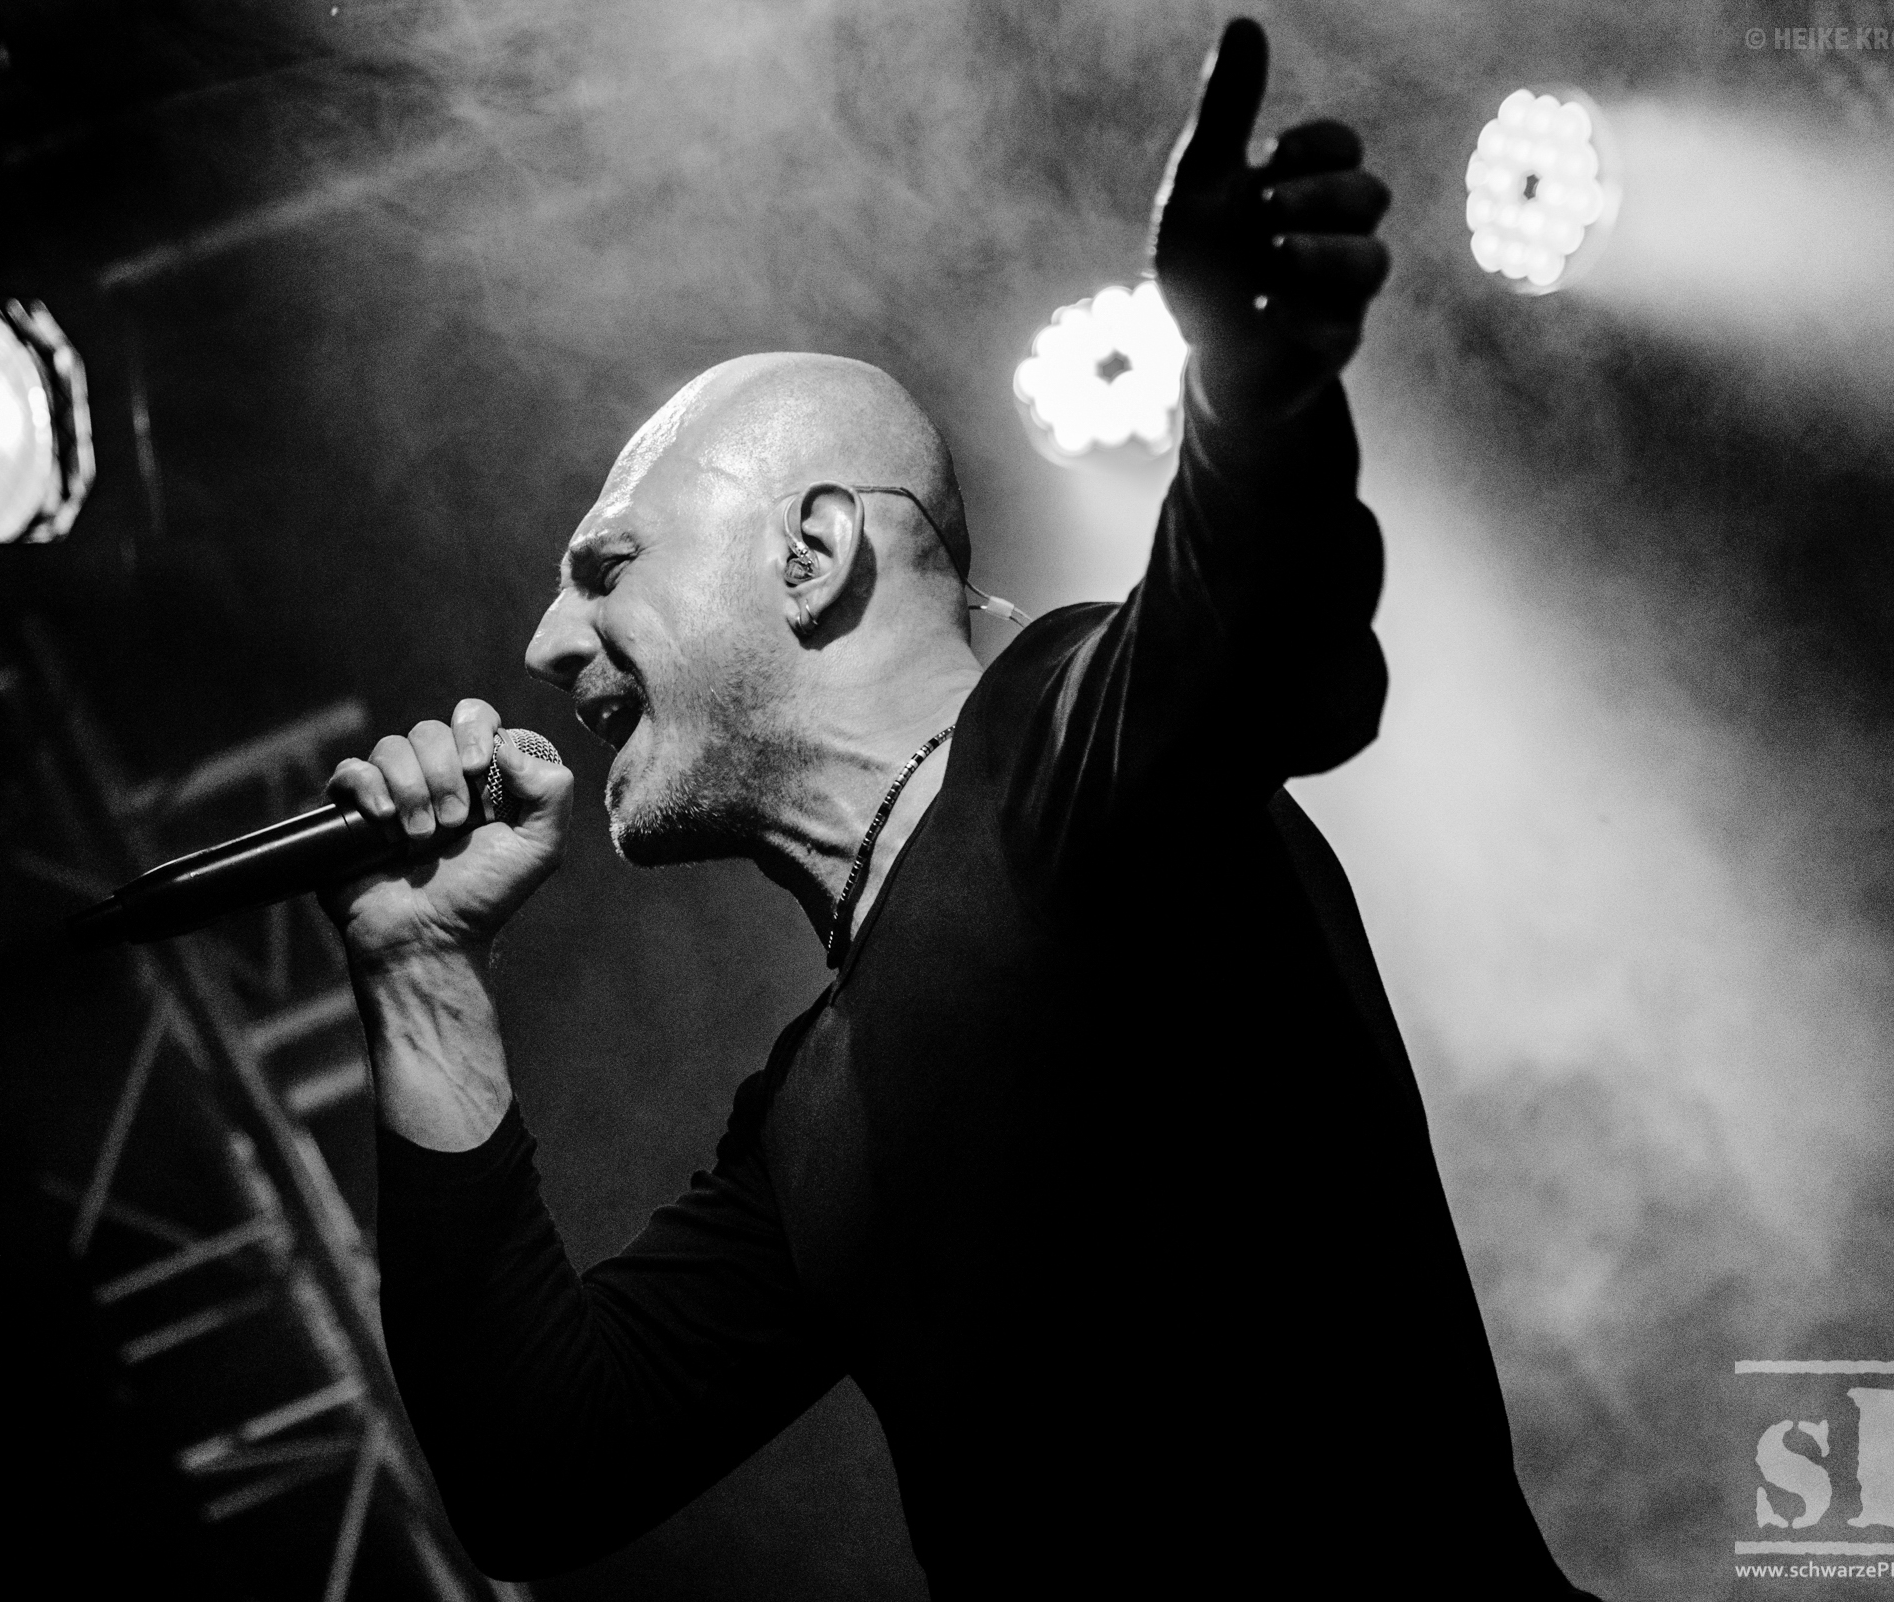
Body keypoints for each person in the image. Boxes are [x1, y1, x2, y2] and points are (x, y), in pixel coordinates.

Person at [322, 18, 1594, 1597]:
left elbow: (1262, 627)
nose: (546, 641)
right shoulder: (809, 1110)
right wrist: (424, 979)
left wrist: (1247, 378)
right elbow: (537, 1470)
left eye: (608, 567)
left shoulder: (1057, 754)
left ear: (812, 554)